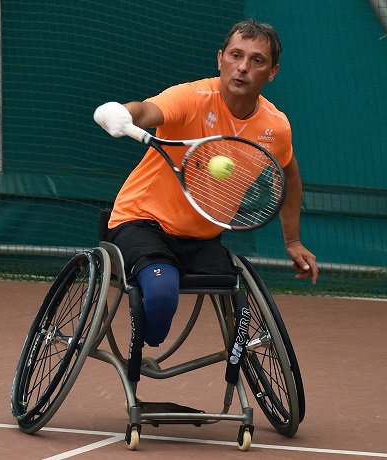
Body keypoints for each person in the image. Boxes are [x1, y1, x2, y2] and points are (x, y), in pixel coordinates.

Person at [94, 19, 318, 348]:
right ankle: (146, 341)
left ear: (272, 72)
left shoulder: (276, 127)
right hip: (141, 221)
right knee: (160, 293)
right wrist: (119, 113)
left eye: (257, 61)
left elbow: (289, 174)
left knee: (243, 303)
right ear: (220, 59)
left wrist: (293, 241)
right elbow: (144, 111)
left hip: (202, 237)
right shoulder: (191, 98)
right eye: (235, 56)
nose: (242, 68)